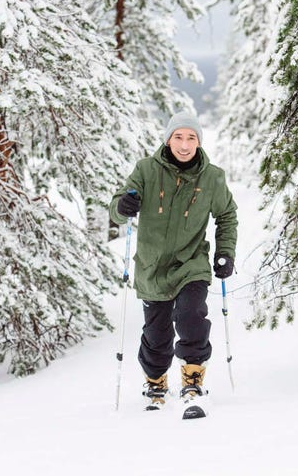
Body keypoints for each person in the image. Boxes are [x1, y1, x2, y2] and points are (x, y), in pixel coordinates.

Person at [110, 111, 238, 415]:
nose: (184, 144)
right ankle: (155, 384)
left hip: (191, 263)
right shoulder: (146, 170)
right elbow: (117, 209)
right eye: (178, 137)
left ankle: (193, 381)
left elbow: (227, 215)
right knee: (157, 335)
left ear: (199, 141)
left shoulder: (212, 177)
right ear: (168, 139)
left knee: (191, 315)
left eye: (191, 137)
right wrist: (123, 206)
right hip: (152, 268)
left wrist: (225, 252)